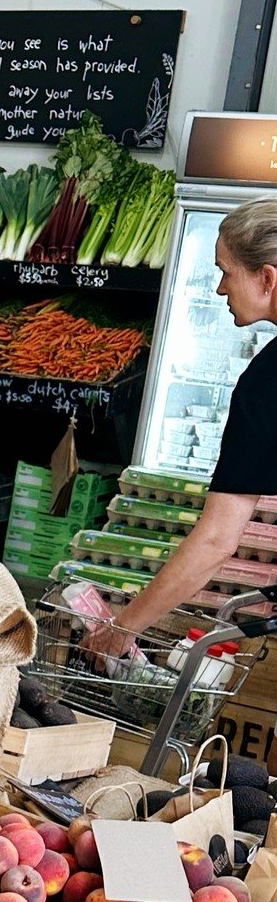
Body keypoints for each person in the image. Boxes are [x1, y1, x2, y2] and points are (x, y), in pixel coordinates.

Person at [84, 196, 277, 659]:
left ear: (266, 278)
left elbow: (216, 539)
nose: (219, 288)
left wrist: (123, 627)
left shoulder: (268, 382)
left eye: (226, 271)